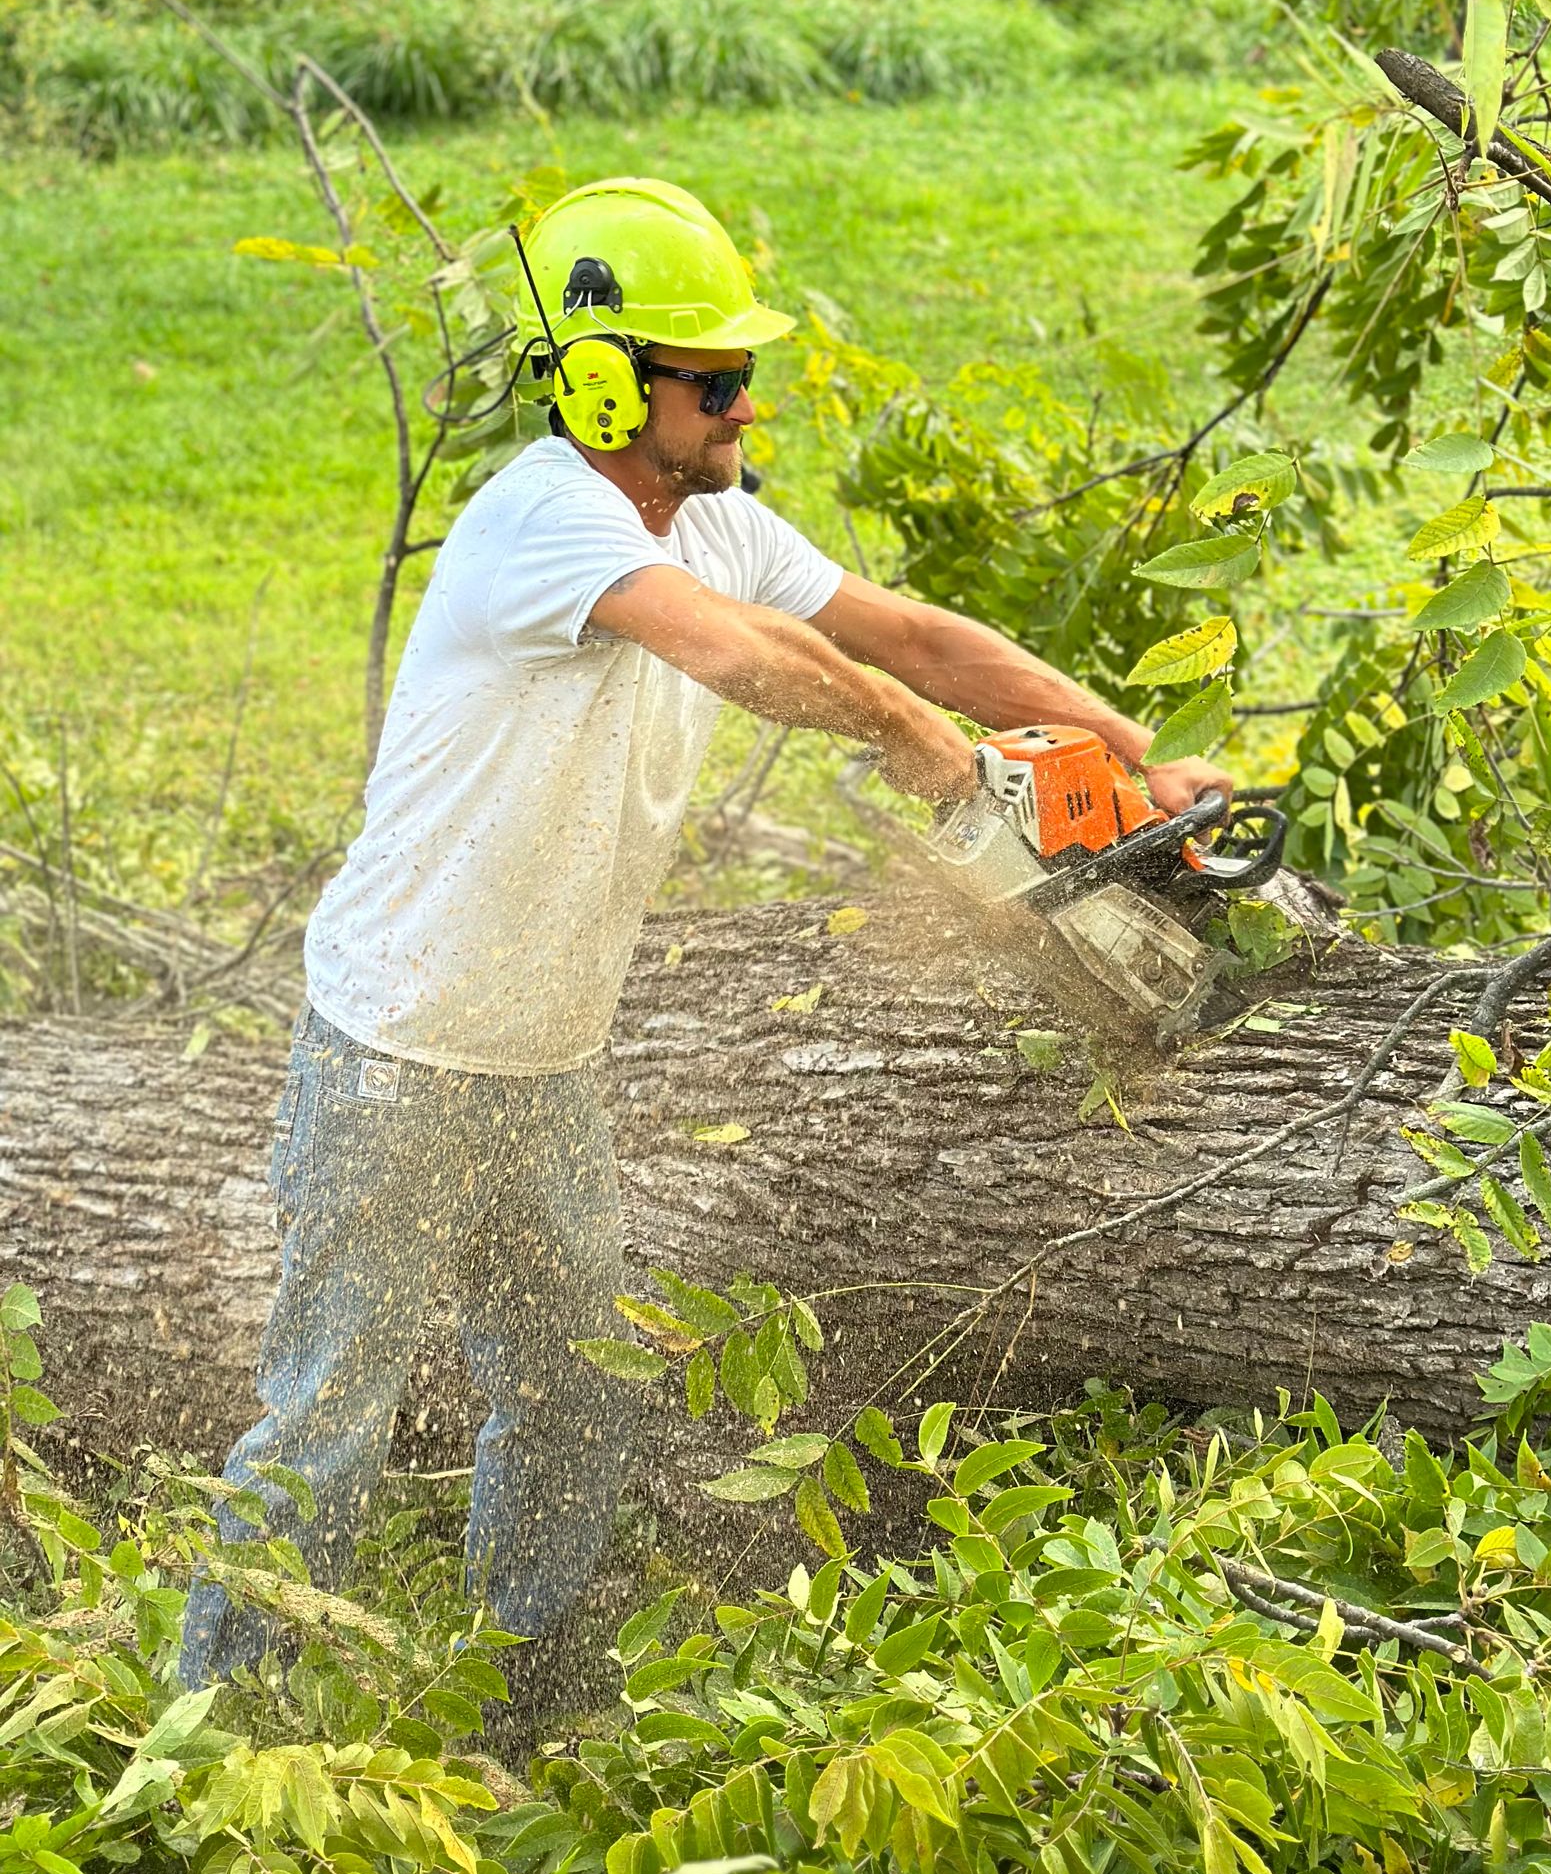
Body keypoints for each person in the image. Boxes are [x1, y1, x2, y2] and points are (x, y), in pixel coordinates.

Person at [178, 176, 1230, 1694]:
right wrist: (918, 747)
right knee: (325, 1425)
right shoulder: (546, 520)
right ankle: (213, 1754)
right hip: (397, 1056)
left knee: (567, 1400)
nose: (748, 406)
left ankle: (509, 1705)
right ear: (610, 382)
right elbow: (737, 657)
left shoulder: (718, 520)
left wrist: (1128, 748)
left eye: (748, 375)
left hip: (543, 1071)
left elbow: (910, 636)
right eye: (718, 380)